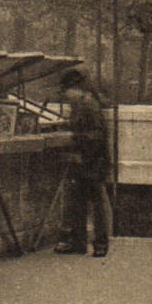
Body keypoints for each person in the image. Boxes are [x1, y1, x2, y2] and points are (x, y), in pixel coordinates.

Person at [54, 66, 112, 257]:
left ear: (75, 89)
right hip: (86, 160)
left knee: (96, 204)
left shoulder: (88, 105)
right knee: (77, 201)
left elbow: (96, 135)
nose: (65, 97)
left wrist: (76, 141)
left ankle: (100, 244)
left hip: (93, 161)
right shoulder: (82, 104)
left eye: (66, 92)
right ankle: (79, 243)